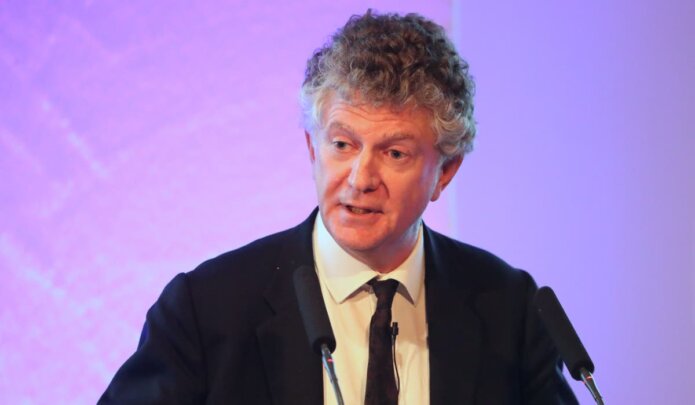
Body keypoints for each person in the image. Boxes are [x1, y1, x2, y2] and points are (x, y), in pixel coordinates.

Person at [99, 10, 578, 405]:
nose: (360, 179)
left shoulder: (509, 310)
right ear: (313, 149)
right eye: (343, 144)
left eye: (395, 153)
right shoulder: (208, 309)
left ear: (446, 171)